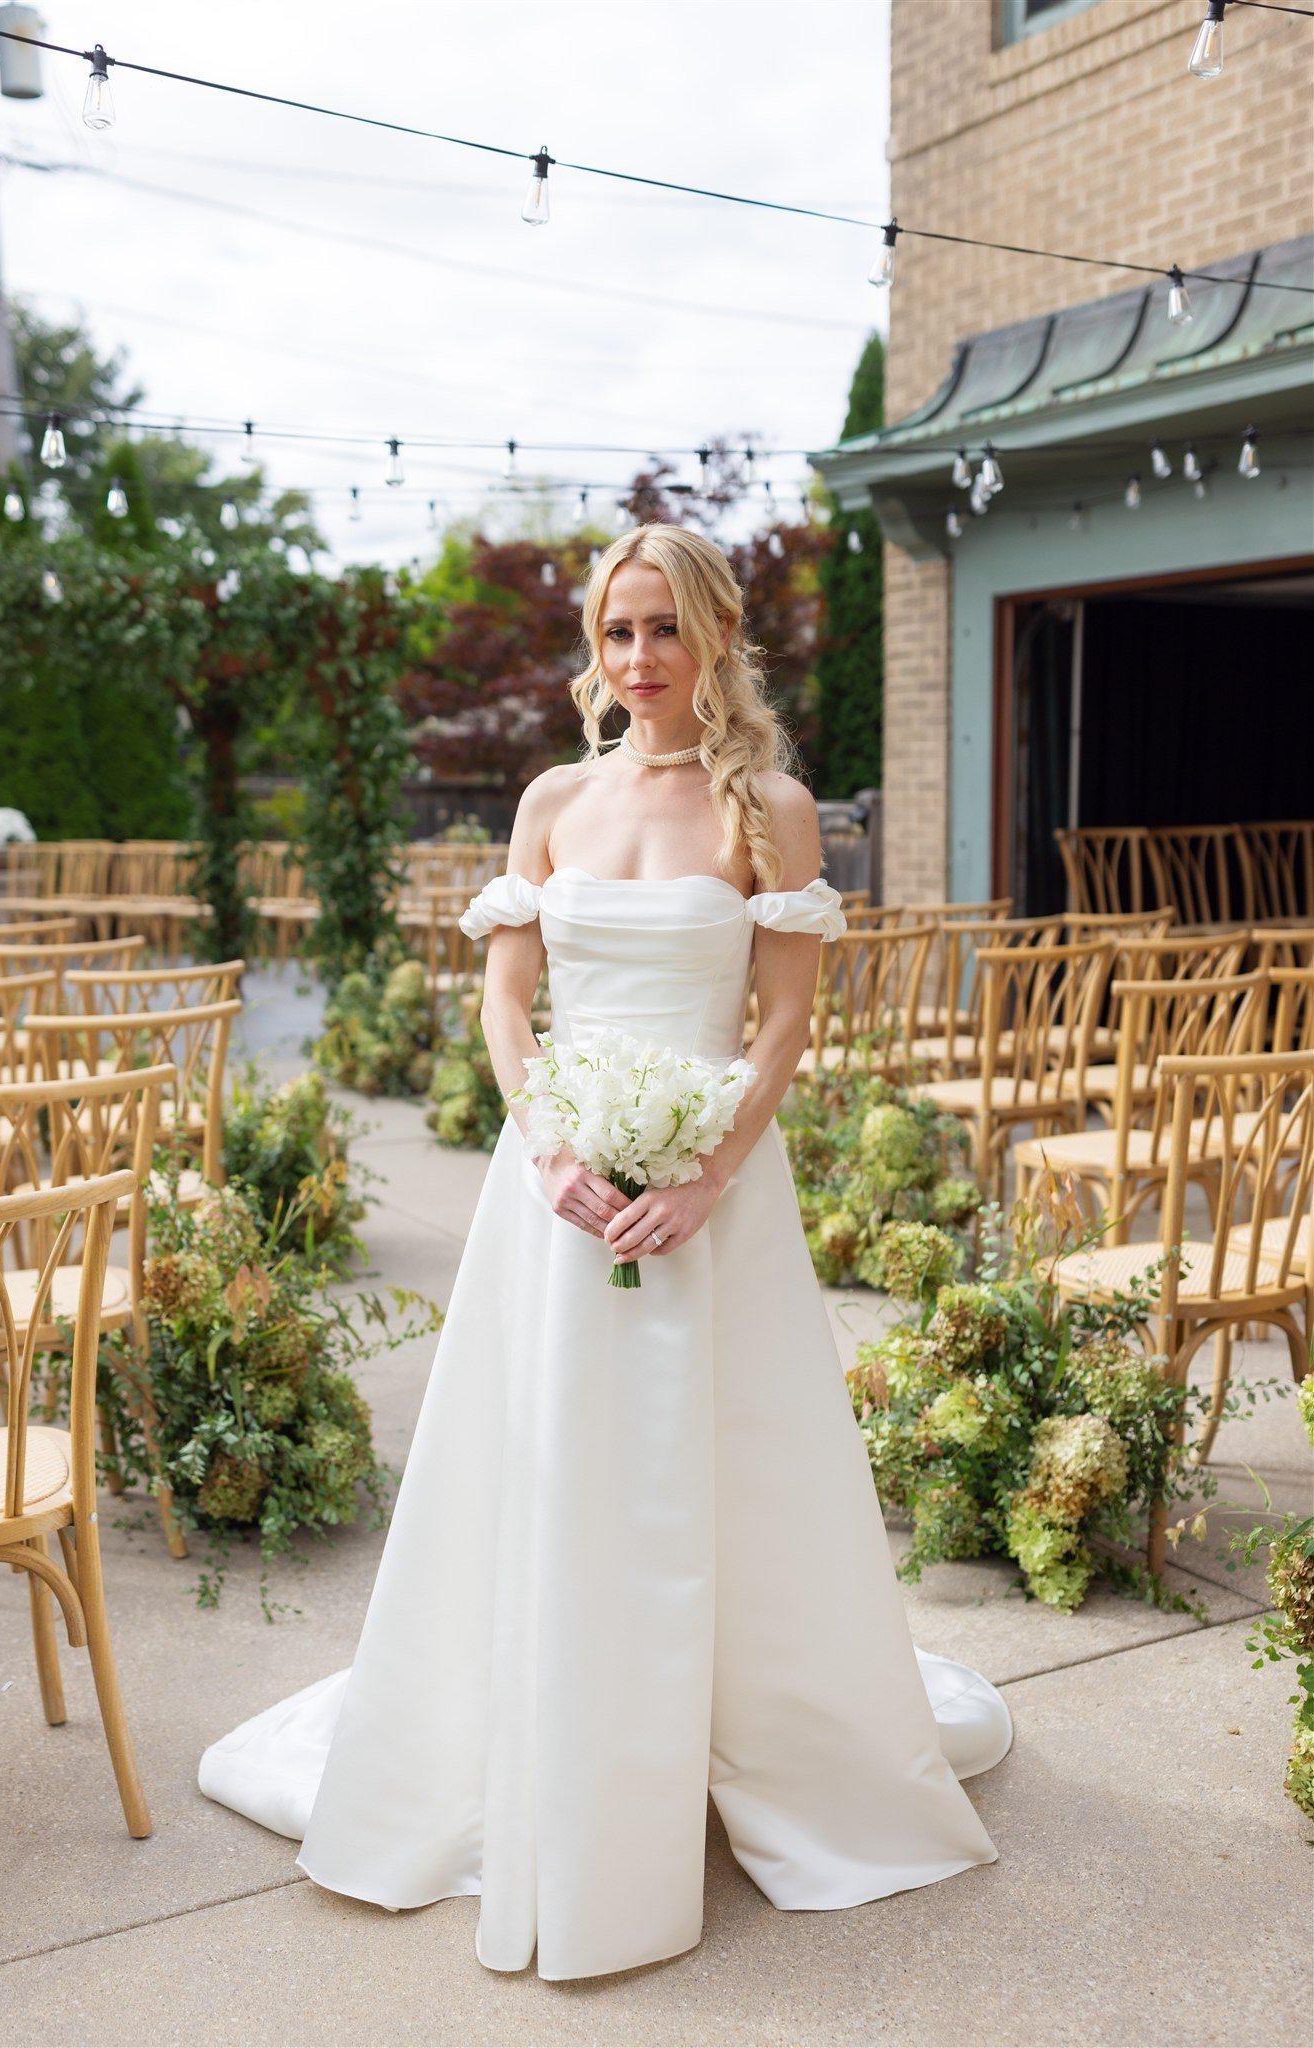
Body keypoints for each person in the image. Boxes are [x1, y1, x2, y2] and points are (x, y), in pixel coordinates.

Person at [199, 522, 1012, 1982]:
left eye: (665, 631)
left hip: (714, 1196)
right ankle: (550, 1740)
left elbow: (780, 1025)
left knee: (717, 1471)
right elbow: (509, 1007)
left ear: (713, 639)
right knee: (554, 1460)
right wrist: (549, 1149)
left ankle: (731, 1736)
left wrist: (701, 1178)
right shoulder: (552, 800)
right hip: (558, 1194)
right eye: (617, 632)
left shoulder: (773, 806)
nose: (638, 660)